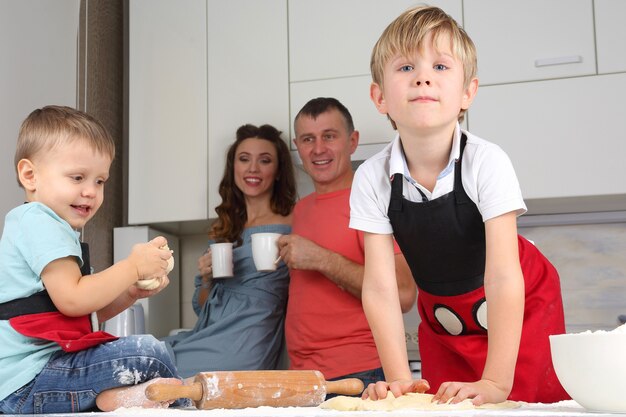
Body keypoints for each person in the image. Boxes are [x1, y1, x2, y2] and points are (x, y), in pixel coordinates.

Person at [349, 5, 569, 405]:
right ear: (379, 97)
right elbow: (381, 288)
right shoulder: (371, 178)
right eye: (404, 68)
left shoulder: (487, 161)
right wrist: (401, 383)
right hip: (443, 316)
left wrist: (496, 383)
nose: (423, 77)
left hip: (522, 299)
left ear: (468, 92)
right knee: (438, 405)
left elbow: (503, 276)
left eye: (440, 66)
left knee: (524, 405)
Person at [0, 105, 188, 414]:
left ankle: (112, 397)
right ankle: (161, 403)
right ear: (30, 175)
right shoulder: (38, 221)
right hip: (27, 383)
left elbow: (85, 313)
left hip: (43, 375)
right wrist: (132, 267)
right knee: (149, 354)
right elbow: (73, 300)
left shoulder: (52, 228)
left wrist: (130, 291)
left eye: (100, 181)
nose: (90, 191)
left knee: (149, 353)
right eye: (77, 177)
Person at [277, 97, 416, 390]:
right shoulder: (301, 210)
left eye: (329, 136)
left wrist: (322, 260)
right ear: (297, 146)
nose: (318, 149)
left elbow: (403, 294)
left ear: (352, 141)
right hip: (302, 379)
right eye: (307, 139)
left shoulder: (374, 201)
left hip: (359, 374)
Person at [162, 124, 296, 377]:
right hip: (206, 334)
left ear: (278, 171)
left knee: (149, 369)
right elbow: (203, 306)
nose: (253, 168)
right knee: (142, 358)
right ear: (233, 167)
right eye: (244, 159)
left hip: (247, 341)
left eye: (265, 160)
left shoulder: (295, 221)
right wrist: (206, 280)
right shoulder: (224, 227)